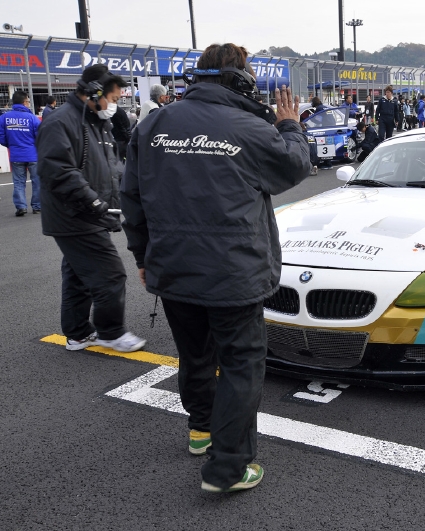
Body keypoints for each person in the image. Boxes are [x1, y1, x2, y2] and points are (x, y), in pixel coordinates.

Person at [121, 43, 310, 493]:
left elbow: (132, 198)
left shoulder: (153, 125)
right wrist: (289, 125)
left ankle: (201, 430)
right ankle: (229, 467)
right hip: (234, 274)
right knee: (241, 364)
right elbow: (296, 166)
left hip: (173, 268)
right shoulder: (250, 127)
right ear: (242, 80)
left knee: (195, 354)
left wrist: (143, 257)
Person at [35, 64, 146, 354]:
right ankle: (111, 332)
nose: (115, 105)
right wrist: (94, 202)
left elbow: (110, 167)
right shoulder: (61, 122)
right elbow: (57, 170)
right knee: (110, 274)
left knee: (78, 276)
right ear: (95, 93)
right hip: (76, 215)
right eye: (113, 98)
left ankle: (78, 334)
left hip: (89, 213)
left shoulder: (96, 122)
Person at [0, 90, 40, 216]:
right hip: (33, 154)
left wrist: (11, 145)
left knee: (18, 182)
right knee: (37, 181)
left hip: (16, 154)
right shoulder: (33, 118)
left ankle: (21, 207)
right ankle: (37, 206)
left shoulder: (4, 118)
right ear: (24, 102)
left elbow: (1, 137)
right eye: (28, 101)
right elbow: (40, 136)